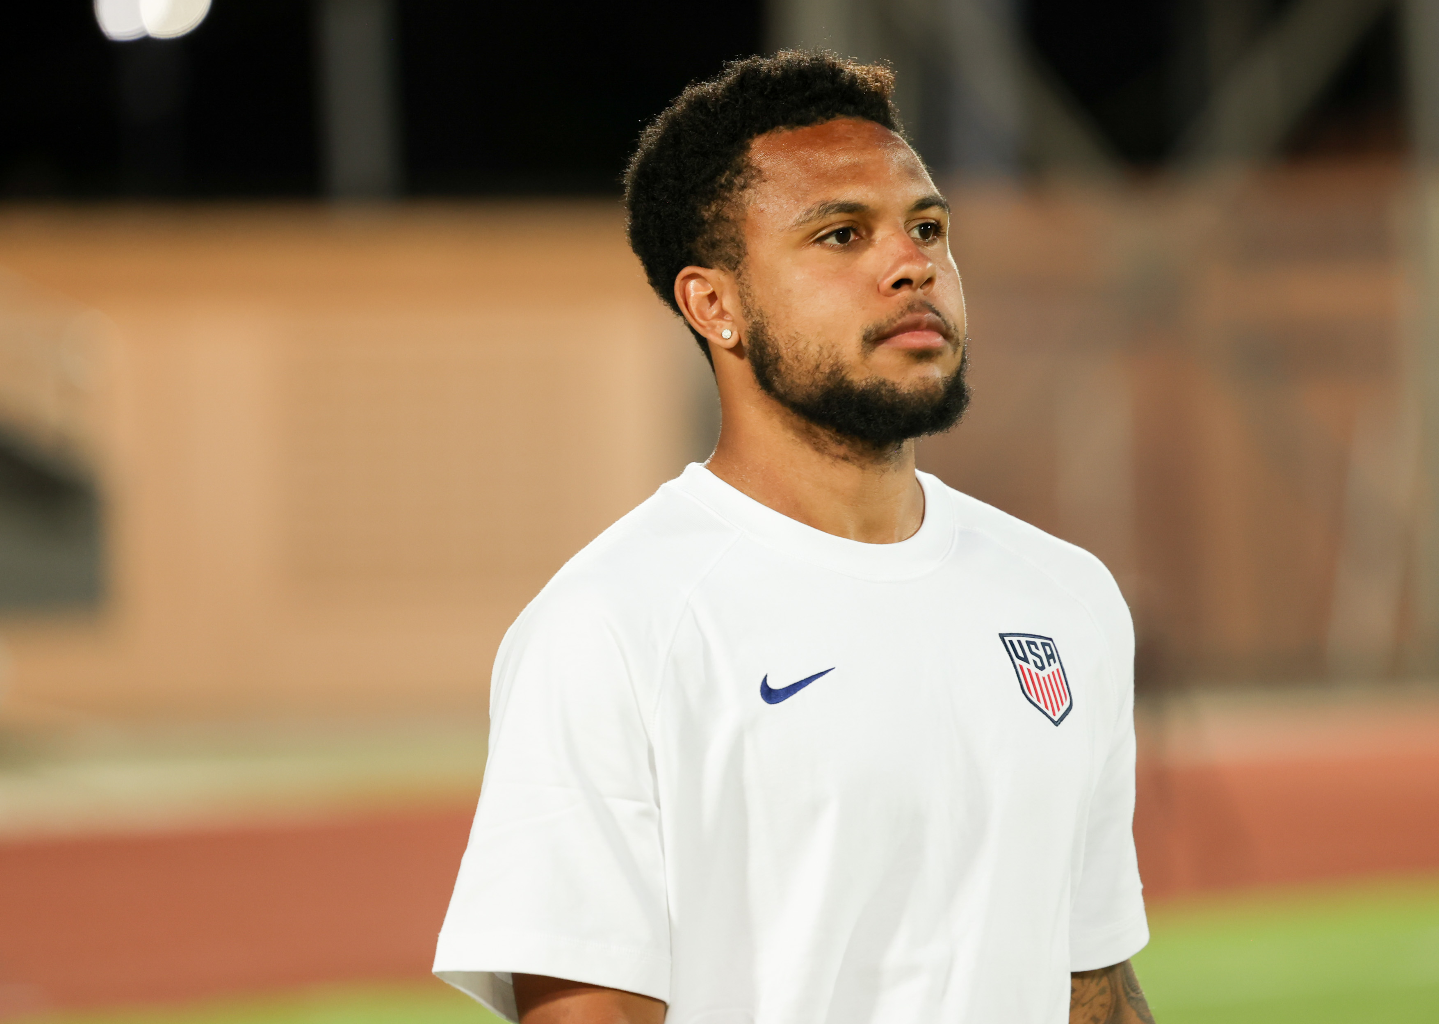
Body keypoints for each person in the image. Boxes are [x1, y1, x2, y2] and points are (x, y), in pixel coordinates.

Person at [433, 50, 1154, 1024]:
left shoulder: (1064, 597)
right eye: (841, 234)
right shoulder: (612, 628)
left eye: (927, 228)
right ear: (715, 306)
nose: (912, 265)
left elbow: (1090, 987)